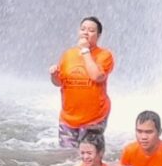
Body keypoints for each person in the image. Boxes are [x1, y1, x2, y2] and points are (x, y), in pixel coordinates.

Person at [48, 17, 114, 151]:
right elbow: (59, 83)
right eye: (83, 29)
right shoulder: (68, 55)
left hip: (94, 118)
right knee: (67, 158)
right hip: (68, 118)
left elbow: (96, 76)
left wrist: (85, 51)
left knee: (90, 156)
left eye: (91, 30)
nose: (86, 33)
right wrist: (53, 75)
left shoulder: (105, 55)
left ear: (98, 35)